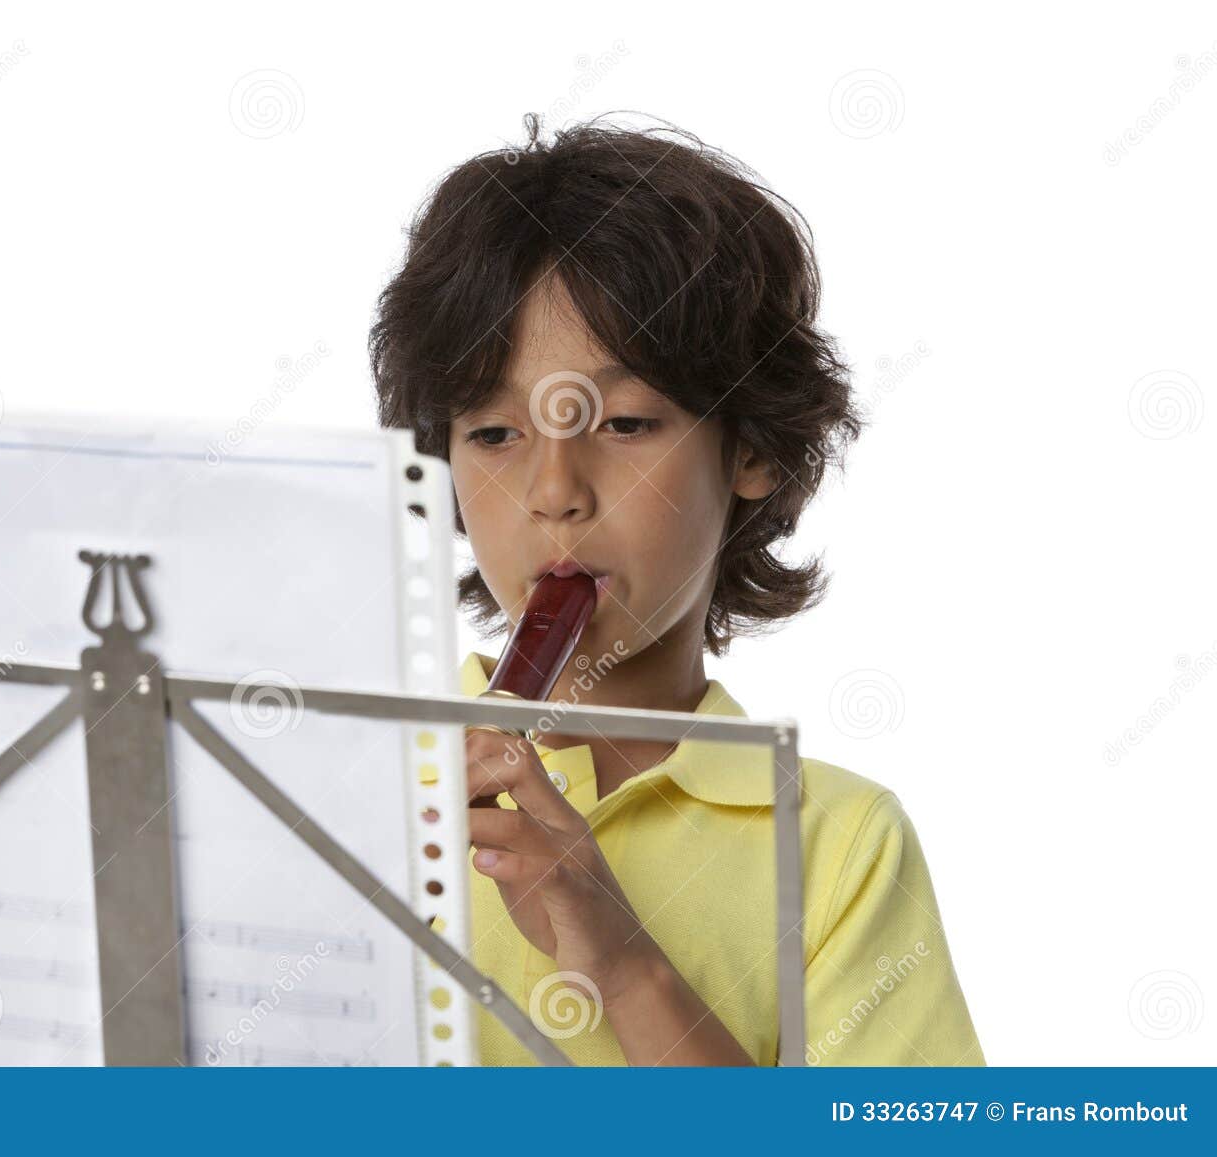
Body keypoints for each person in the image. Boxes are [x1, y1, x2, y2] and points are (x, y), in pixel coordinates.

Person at [370, 113, 982, 1066]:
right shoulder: (351, 783)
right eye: (493, 434)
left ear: (752, 449)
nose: (554, 492)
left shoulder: (836, 845)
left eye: (620, 423)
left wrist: (623, 962)